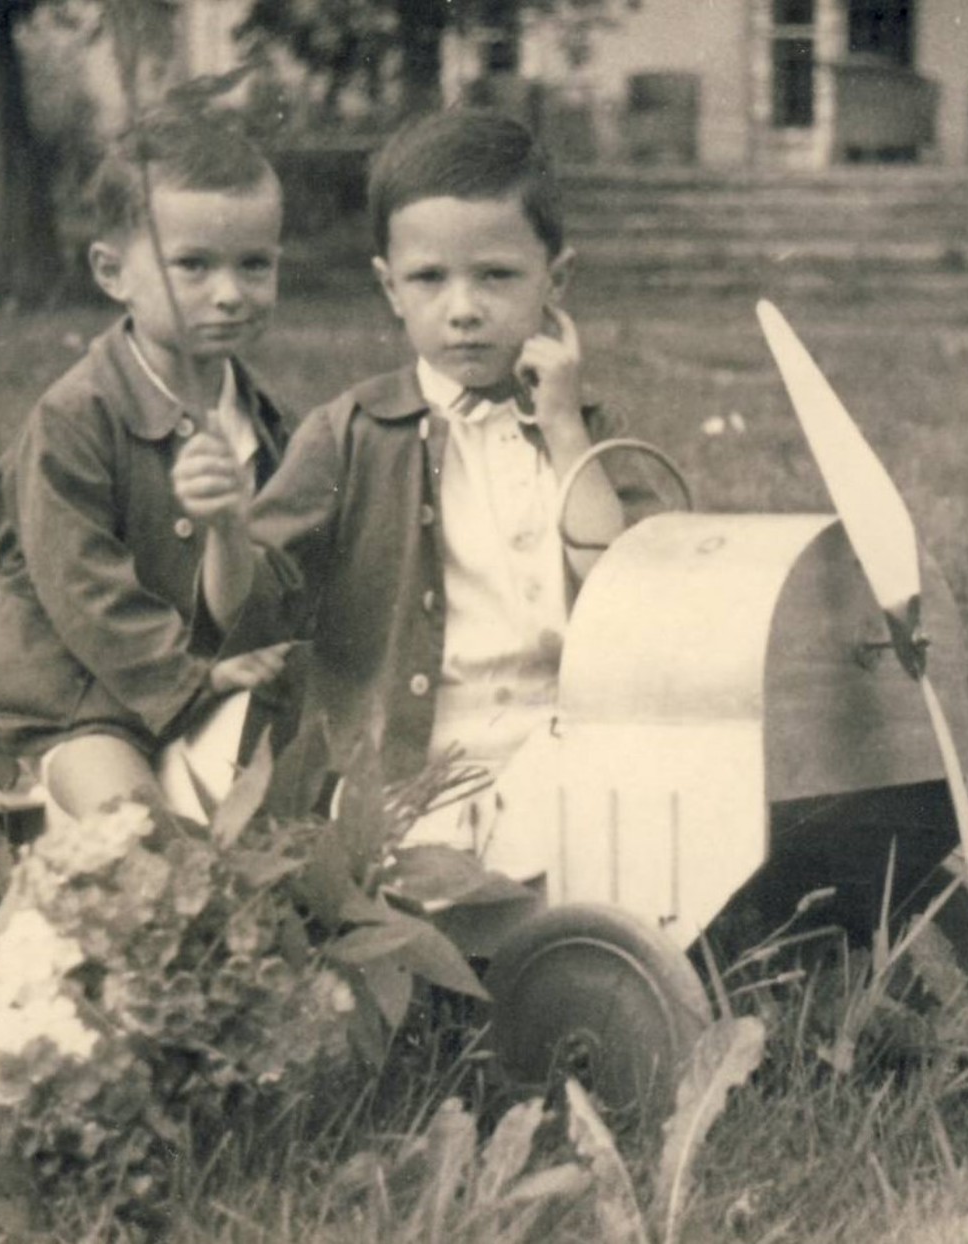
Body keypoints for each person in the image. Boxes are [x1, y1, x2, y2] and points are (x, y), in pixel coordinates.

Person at [178, 108, 642, 852]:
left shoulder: (588, 430)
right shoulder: (351, 434)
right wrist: (227, 530)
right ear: (390, 288)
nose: (463, 311)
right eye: (429, 279)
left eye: (496, 276)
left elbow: (634, 599)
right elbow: (250, 615)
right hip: (411, 777)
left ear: (555, 280)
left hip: (570, 756)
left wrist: (563, 429)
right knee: (453, 879)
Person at [0, 107, 295, 835]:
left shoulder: (268, 424)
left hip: (205, 693)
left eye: (254, 264)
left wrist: (231, 536)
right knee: (140, 837)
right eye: (193, 266)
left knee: (292, 814)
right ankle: (42, 860)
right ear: (113, 272)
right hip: (79, 707)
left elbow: (263, 594)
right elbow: (84, 588)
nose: (230, 293)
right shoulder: (76, 418)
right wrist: (191, 679)